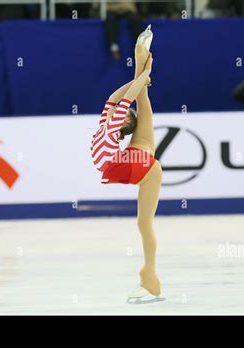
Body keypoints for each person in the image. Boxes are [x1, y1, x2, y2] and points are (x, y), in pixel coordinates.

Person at [90, 44, 163, 304]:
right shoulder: (107, 123)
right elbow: (115, 96)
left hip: (136, 166)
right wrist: (141, 74)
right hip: (133, 164)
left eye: (122, 114)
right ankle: (150, 278)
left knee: (144, 225)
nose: (115, 110)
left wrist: (144, 74)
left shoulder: (111, 126)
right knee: (144, 225)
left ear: (123, 123)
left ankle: (150, 278)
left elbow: (125, 98)